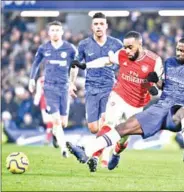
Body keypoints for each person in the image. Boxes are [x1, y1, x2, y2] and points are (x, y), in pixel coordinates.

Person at [66, 37, 184, 166]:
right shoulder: (170, 62)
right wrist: (156, 80)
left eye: (182, 51)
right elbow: (162, 86)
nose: (178, 53)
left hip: (176, 114)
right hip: (159, 109)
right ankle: (86, 151)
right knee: (123, 128)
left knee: (183, 110)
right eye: (177, 49)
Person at [85, 31, 163, 172]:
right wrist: (86, 65)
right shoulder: (122, 54)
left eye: (130, 47)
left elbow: (162, 86)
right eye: (125, 47)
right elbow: (106, 60)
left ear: (140, 44)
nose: (126, 50)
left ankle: (116, 153)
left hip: (137, 105)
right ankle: (95, 157)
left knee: (123, 139)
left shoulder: (154, 61)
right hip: (118, 95)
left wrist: (156, 82)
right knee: (109, 123)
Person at [75, 12, 123, 167]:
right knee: (93, 128)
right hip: (91, 88)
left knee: (106, 121)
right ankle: (107, 148)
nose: (99, 27)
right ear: (92, 26)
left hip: (109, 88)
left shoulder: (116, 44)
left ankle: (100, 157)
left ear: (106, 26)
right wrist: (71, 83)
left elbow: (123, 64)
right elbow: (76, 64)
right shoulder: (84, 44)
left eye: (102, 24)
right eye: (96, 24)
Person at [28, 21, 78, 157]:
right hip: (49, 87)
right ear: (49, 33)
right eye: (53, 30)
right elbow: (36, 63)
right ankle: (64, 149)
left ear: (62, 32)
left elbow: (75, 66)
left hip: (64, 87)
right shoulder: (44, 48)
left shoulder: (70, 49)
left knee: (63, 123)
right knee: (56, 120)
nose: (55, 32)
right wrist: (32, 79)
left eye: (57, 30)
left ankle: (56, 136)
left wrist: (72, 82)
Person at [33, 75, 53, 145]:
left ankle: (48, 138)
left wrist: (36, 102)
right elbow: (38, 92)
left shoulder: (54, 78)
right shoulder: (40, 80)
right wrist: (36, 101)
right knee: (48, 121)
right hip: (44, 102)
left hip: (52, 102)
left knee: (51, 121)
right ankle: (51, 137)